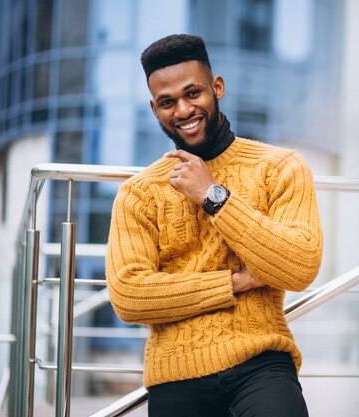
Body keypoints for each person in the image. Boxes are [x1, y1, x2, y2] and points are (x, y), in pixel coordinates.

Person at [105, 34, 323, 417]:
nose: (184, 110)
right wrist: (234, 283)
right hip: (177, 372)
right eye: (168, 102)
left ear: (216, 87)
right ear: (155, 109)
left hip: (262, 361)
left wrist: (213, 196)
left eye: (193, 93)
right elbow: (129, 295)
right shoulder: (138, 193)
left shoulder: (280, 167)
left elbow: (300, 265)